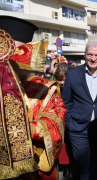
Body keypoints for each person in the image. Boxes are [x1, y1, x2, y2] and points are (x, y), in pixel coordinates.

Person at [0, 15, 66, 180]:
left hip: (31, 172)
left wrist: (23, 128)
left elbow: (55, 125)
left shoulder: (44, 89)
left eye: (16, 56)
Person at [62, 39, 97, 180]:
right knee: (83, 166)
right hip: (78, 129)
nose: (93, 58)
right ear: (84, 54)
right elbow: (66, 101)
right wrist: (69, 123)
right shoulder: (73, 74)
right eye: (90, 54)